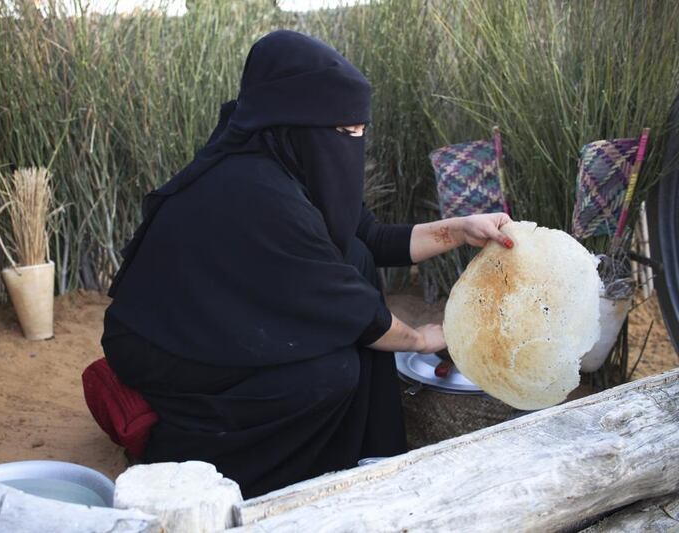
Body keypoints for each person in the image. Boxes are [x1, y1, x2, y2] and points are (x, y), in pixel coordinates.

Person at [102, 30, 512, 498]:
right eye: (344, 132)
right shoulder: (258, 192)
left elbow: (370, 238)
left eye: (360, 131)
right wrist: (422, 337)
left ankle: (347, 451)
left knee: (353, 266)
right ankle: (204, 466)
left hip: (212, 318)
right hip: (163, 348)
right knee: (327, 377)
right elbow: (354, 311)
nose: (354, 144)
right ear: (296, 122)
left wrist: (461, 230)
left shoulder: (290, 162)